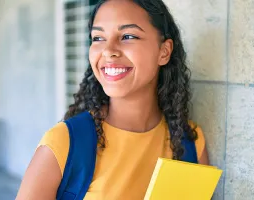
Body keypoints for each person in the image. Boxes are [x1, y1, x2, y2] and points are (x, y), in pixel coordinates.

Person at [16, 0, 209, 199]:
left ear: (164, 51)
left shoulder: (191, 143)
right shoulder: (63, 143)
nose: (108, 51)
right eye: (98, 38)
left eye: (128, 36)